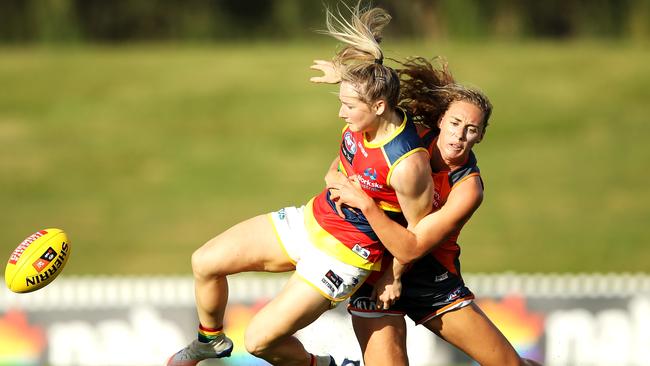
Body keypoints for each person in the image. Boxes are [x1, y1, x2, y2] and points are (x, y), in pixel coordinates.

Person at [166, 5, 434, 366]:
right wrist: (333, 174)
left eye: (349, 106)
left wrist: (392, 273)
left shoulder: (407, 163)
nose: (341, 114)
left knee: (259, 341)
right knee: (205, 262)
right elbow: (343, 160)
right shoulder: (363, 121)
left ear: (380, 105)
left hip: (344, 257)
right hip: (311, 220)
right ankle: (208, 341)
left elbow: (418, 233)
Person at [324, 57, 543, 366]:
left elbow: (416, 243)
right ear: (440, 120)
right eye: (454, 124)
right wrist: (344, 76)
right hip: (375, 268)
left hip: (431, 279)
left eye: (471, 130)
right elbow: (360, 140)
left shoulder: (468, 188)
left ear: (480, 136)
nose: (459, 135)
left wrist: (394, 273)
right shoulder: (408, 139)